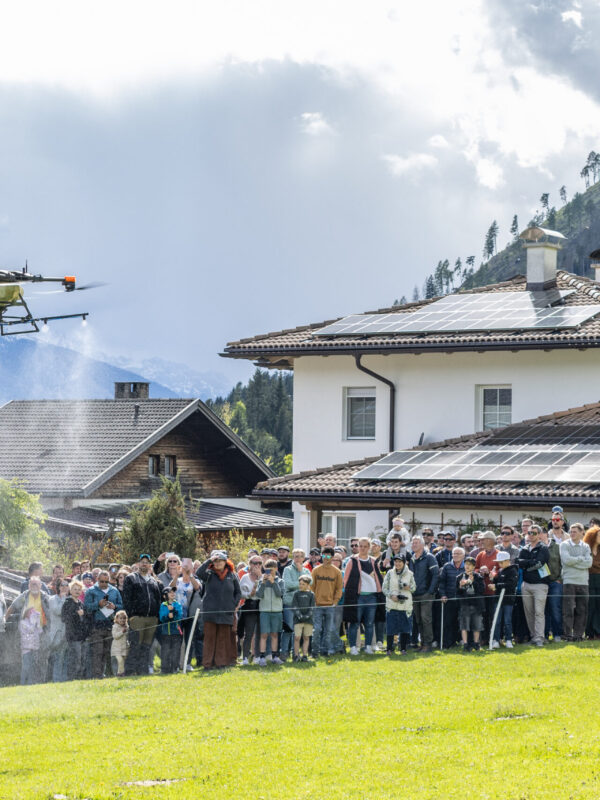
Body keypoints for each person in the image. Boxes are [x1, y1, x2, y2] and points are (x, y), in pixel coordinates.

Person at [196, 550, 241, 670]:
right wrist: (209, 560)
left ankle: (221, 663)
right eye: (215, 561)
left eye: (220, 561)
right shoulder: (209, 574)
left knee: (223, 639)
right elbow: (198, 572)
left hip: (226, 612)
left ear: (226, 562)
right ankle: (207, 664)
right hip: (210, 612)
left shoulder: (232, 575)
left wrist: (233, 605)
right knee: (209, 639)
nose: (218, 563)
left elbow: (238, 592)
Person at [122, 554, 162, 675]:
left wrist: (157, 616)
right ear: (138, 564)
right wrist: (131, 616)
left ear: (150, 565)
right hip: (137, 618)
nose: (144, 564)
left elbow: (158, 599)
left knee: (146, 647)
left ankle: (142, 670)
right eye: (142, 561)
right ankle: (129, 671)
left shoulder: (153, 580)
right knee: (135, 646)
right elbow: (126, 599)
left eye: (147, 562)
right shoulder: (131, 578)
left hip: (152, 619)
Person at [343, 537, 383, 655]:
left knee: (370, 623)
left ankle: (368, 646)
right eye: (361, 546)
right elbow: (346, 579)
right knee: (354, 623)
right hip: (358, 597)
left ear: (369, 548)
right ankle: (353, 647)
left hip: (372, 597)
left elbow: (378, 577)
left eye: (365, 546)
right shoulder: (352, 561)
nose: (363, 548)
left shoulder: (373, 561)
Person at [84, 570, 123, 679]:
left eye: (106, 582)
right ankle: (98, 675)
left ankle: (111, 674)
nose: (104, 584)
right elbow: (86, 607)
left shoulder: (114, 591)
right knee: (98, 652)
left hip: (111, 625)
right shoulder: (91, 591)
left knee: (109, 652)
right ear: (97, 580)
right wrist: (98, 604)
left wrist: (115, 607)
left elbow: (121, 606)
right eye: (102, 581)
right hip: (97, 626)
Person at [517, 524, 550, 647]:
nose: (531, 535)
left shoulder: (543, 548)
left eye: (534, 533)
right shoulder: (524, 548)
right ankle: (533, 637)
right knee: (529, 613)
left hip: (540, 585)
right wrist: (530, 563)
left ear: (539, 535)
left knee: (539, 612)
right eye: (529, 533)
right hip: (526, 584)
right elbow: (519, 563)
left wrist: (527, 564)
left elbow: (540, 563)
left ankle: (540, 638)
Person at [560, 523, 592, 641]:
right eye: (571, 531)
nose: (572, 534)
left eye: (574, 531)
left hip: (583, 582)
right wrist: (580, 559)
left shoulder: (586, 546)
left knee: (582, 610)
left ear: (581, 532)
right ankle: (567, 635)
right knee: (568, 610)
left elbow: (588, 563)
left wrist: (575, 561)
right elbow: (566, 560)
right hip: (569, 581)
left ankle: (578, 635)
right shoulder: (564, 545)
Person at [310, 546, 343, 658]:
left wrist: (335, 601)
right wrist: (313, 601)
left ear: (332, 557)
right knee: (317, 630)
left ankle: (325, 651)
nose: (326, 557)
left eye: (328, 555)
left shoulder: (336, 572)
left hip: (330, 606)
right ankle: (314, 652)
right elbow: (311, 587)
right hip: (317, 605)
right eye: (324, 555)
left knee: (328, 631)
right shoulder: (316, 570)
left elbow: (339, 588)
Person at [409, 535, 439, 652]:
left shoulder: (429, 557)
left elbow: (436, 575)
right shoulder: (412, 558)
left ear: (422, 545)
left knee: (426, 619)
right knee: (418, 620)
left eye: (416, 543)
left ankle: (428, 644)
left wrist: (430, 591)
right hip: (415, 594)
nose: (413, 545)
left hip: (426, 593)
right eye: (412, 543)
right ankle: (422, 644)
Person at [382, 553, 416, 655]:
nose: (397, 563)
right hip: (392, 604)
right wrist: (391, 596)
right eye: (396, 561)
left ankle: (403, 649)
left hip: (405, 605)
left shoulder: (410, 574)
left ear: (404, 562)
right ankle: (389, 649)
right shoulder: (389, 573)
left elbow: (414, 589)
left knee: (405, 628)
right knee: (390, 628)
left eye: (400, 561)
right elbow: (384, 588)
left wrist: (408, 588)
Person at [281, 549, 310, 660]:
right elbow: (287, 584)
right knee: (288, 629)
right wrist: (302, 585)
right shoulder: (287, 570)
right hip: (289, 603)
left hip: (302, 604)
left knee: (298, 632)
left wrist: (301, 571)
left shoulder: (306, 571)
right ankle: (284, 653)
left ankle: (296, 654)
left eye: (300, 556)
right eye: (295, 556)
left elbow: (310, 583)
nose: (297, 558)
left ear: (303, 558)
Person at [256, 559, 284, 666]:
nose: (269, 573)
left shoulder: (280, 581)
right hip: (264, 611)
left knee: (274, 634)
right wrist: (263, 583)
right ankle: (262, 657)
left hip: (277, 611)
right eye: (267, 570)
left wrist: (273, 583)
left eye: (272, 570)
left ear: (276, 569)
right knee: (264, 634)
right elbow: (259, 595)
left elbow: (280, 594)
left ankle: (275, 656)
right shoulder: (261, 581)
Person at [488, 551, 518, 648]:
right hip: (498, 599)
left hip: (508, 600)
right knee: (497, 620)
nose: (499, 564)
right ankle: (496, 639)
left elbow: (511, 585)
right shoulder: (500, 571)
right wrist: (493, 579)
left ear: (507, 561)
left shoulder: (513, 570)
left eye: (501, 562)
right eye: (498, 562)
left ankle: (508, 639)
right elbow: (499, 582)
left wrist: (496, 586)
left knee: (507, 620)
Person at [438, 546, 465, 648]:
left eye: (458, 554)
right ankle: (448, 643)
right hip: (448, 599)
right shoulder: (447, 566)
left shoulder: (466, 567)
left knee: (461, 621)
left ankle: (461, 640)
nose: (456, 556)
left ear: (463, 556)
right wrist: (443, 594)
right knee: (448, 621)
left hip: (462, 599)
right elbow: (442, 582)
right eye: (454, 553)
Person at [456, 556, 485, 651]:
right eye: (466, 564)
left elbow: (482, 590)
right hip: (465, 605)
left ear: (473, 566)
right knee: (464, 625)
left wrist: (473, 582)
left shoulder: (478, 577)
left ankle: (476, 644)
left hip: (476, 605)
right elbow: (456, 592)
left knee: (477, 625)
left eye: (470, 565)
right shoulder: (459, 577)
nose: (467, 566)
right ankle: (465, 644)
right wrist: (460, 586)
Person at [61, 580, 88, 680]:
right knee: (75, 659)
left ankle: (79, 679)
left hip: (82, 636)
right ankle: (72, 679)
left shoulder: (81, 603)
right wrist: (76, 614)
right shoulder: (68, 602)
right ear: (70, 590)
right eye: (75, 589)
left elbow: (84, 619)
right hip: (73, 636)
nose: (77, 591)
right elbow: (64, 618)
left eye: (79, 589)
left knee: (82, 659)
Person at [539, 528, 563, 642]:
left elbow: (563, 564)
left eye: (540, 533)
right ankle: (544, 635)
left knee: (555, 608)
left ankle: (557, 634)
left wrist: (560, 579)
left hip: (555, 582)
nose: (538, 535)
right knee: (543, 610)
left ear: (545, 534)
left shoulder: (557, 547)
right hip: (541, 583)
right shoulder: (537, 548)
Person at [475, 531, 499, 642]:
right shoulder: (480, 554)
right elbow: (474, 569)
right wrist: (480, 571)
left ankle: (494, 638)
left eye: (483, 539)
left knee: (493, 616)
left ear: (489, 540)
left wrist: (490, 572)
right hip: (482, 591)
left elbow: (502, 570)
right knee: (483, 616)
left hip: (494, 592)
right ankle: (484, 639)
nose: (481, 542)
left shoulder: (498, 554)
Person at [239, 555, 263, 665]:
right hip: (250, 606)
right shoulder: (245, 577)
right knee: (248, 633)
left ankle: (257, 656)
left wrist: (260, 578)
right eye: (254, 563)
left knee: (259, 633)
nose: (257, 565)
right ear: (250, 564)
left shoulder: (264, 577)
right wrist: (249, 594)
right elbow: (241, 594)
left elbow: (266, 592)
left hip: (262, 606)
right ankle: (244, 657)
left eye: (259, 563)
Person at [48, 579, 69, 682]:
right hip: (57, 633)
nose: (64, 587)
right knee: (58, 658)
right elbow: (59, 611)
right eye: (62, 585)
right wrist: (64, 597)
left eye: (66, 585)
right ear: (58, 587)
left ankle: (64, 680)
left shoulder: (70, 599)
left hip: (67, 633)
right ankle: (57, 680)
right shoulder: (52, 599)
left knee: (66, 659)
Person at [158, 587, 183, 674]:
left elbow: (179, 616)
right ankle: (164, 669)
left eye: (173, 592)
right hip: (165, 633)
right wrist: (168, 616)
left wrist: (173, 611)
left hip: (176, 632)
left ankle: (174, 668)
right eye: (170, 592)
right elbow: (162, 617)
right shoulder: (163, 605)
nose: (173, 594)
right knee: (165, 651)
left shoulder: (178, 604)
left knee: (176, 651)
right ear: (165, 595)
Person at [292, 575, 315, 661]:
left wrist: (307, 616)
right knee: (297, 637)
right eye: (300, 584)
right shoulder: (296, 594)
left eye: (303, 584)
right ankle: (296, 655)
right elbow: (294, 606)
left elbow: (312, 607)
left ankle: (305, 656)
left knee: (306, 637)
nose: (301, 586)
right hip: (298, 620)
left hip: (309, 620)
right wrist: (300, 616)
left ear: (308, 585)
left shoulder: (311, 595)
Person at [19, 607, 44, 685]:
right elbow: (31, 630)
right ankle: (22, 684)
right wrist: (33, 622)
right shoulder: (22, 622)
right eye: (30, 612)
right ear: (26, 614)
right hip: (26, 649)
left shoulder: (34, 622)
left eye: (33, 613)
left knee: (32, 668)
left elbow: (40, 631)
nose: (32, 614)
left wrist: (38, 622)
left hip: (34, 648)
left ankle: (31, 684)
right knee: (26, 667)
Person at [584, 525, 600, 639]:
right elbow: (585, 564)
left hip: (599, 579)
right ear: (593, 536)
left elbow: (590, 564)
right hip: (588, 579)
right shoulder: (586, 549)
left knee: (599, 606)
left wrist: (592, 565)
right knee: (590, 606)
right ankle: (589, 632)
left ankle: (598, 631)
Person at [111, 610, 129, 677]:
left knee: (122, 662)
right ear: (116, 619)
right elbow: (115, 636)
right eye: (120, 618)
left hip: (124, 648)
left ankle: (121, 673)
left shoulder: (126, 626)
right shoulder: (115, 626)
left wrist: (126, 629)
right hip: (116, 648)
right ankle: (119, 673)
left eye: (124, 618)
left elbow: (127, 635)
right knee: (120, 660)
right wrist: (122, 632)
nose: (122, 620)